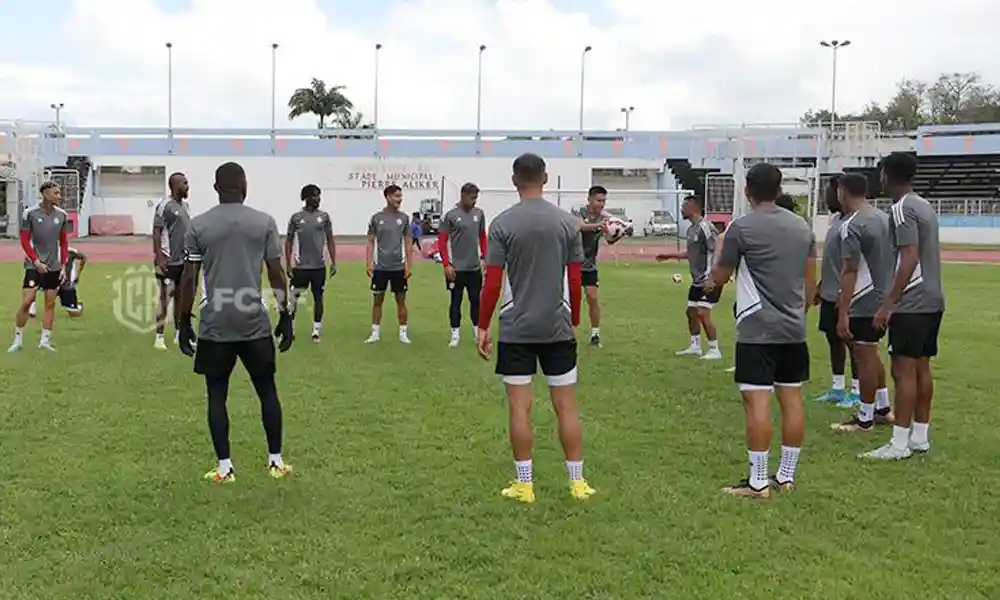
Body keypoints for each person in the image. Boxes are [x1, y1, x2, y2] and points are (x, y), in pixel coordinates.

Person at [477, 153, 595, 504]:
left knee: (519, 408)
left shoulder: (501, 224)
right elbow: (575, 279)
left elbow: (493, 282)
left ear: (515, 180)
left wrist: (483, 325)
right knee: (566, 406)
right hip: (558, 326)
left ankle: (524, 485)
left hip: (516, 328)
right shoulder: (567, 223)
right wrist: (574, 321)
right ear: (545, 177)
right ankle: (577, 483)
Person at [176, 161, 295, 484]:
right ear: (245, 187)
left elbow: (189, 277)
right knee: (267, 390)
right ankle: (276, 461)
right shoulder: (264, 222)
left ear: (216, 188)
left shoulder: (198, 225)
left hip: (215, 321)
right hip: (253, 320)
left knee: (217, 394)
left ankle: (225, 467)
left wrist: (183, 320)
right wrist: (286, 314)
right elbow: (275, 273)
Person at [706, 163, 815, 499]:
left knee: (757, 402)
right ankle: (786, 476)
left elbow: (719, 278)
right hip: (793, 328)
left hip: (757, 328)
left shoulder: (742, 228)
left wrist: (717, 257)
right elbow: (811, 281)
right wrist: (800, 312)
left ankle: (758, 483)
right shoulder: (802, 228)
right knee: (792, 399)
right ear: (779, 188)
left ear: (747, 190)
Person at [864, 152, 945, 460]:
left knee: (902, 369)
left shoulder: (901, 209)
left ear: (888, 175)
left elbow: (909, 256)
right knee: (922, 366)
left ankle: (898, 444)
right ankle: (919, 437)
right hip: (933, 298)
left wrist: (889, 302)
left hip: (912, 301)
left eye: (881, 173)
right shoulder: (924, 205)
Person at [831, 173, 895, 434]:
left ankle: (865, 418)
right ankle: (881, 408)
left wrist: (843, 310)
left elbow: (850, 270)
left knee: (863, 356)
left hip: (864, 298)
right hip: (886, 296)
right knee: (871, 352)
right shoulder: (883, 218)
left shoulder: (853, 224)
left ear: (842, 192)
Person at [812, 176, 861, 407]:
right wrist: (822, 286)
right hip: (830, 293)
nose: (825, 196)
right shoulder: (835, 221)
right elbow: (832, 260)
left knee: (853, 343)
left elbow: (852, 264)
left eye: (828, 192)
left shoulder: (854, 222)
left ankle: (857, 391)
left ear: (841, 192)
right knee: (833, 340)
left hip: (848, 295)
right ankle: (837, 388)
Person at [656, 195, 722, 360]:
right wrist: (669, 255)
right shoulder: (691, 229)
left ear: (694, 207)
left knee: (702, 312)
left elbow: (718, 251)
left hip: (709, 279)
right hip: (697, 280)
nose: (681, 209)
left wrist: (713, 277)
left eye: (684, 206)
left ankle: (715, 349)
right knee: (691, 312)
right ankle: (695, 347)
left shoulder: (706, 228)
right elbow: (690, 253)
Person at [9, 181, 71, 353]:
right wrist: (36, 261)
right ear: (45, 194)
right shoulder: (30, 213)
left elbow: (64, 243)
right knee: (27, 301)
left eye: (59, 193)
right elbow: (24, 240)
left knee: (50, 304)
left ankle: (45, 341)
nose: (59, 196)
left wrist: (64, 265)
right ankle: (18, 339)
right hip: (33, 264)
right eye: (56, 193)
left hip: (54, 265)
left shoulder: (62, 215)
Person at [285, 184, 337, 342]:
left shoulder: (325, 217)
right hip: (300, 267)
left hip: (318, 266)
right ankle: (290, 329)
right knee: (293, 298)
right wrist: (288, 263)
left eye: (319, 195)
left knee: (318, 297)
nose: (317, 199)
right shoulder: (296, 218)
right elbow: (288, 241)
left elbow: (330, 240)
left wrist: (333, 262)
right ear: (306, 198)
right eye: (314, 195)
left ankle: (316, 331)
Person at [438, 182, 486, 347]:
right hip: (456, 268)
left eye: (476, 198)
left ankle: (476, 332)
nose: (474, 201)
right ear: (463, 195)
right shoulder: (450, 216)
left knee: (476, 301)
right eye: (472, 198)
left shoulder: (479, 214)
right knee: (456, 301)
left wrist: (485, 257)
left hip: (474, 268)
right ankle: (455, 335)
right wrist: (446, 264)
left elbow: (482, 237)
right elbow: (442, 241)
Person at [365, 184, 413, 344]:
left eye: (401, 196)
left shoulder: (404, 218)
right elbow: (371, 241)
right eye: (396, 196)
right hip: (380, 267)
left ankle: (403, 333)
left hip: (398, 267)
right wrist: (369, 262)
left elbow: (408, 242)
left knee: (401, 300)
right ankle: (375, 333)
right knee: (378, 300)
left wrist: (409, 264)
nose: (400, 199)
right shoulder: (376, 218)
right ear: (388, 197)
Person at [152, 172, 191, 350]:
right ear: (175, 186)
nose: (187, 186)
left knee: (181, 299)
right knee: (165, 298)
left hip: (184, 261)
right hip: (168, 260)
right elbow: (156, 232)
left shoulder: (186, 206)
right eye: (184, 183)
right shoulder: (164, 206)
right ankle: (159, 337)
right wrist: (160, 257)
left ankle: (178, 333)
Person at [570, 186, 610, 347]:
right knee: (570, 300)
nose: (602, 204)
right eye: (599, 200)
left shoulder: (604, 217)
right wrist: (601, 225)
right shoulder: (577, 211)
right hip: (572, 262)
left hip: (589, 264)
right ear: (590, 199)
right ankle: (568, 333)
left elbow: (609, 239)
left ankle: (595, 334)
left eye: (604, 201)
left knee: (592, 298)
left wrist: (617, 232)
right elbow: (580, 227)